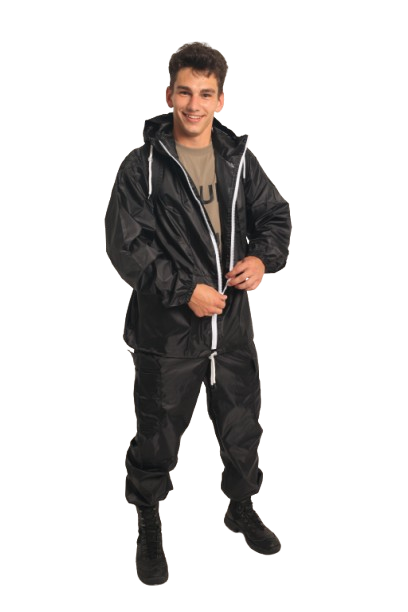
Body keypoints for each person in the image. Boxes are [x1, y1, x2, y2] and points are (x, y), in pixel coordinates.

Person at [105, 41, 291, 586]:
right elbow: (125, 245)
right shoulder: (142, 166)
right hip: (168, 332)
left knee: (242, 427)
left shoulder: (238, 159)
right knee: (157, 434)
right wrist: (185, 290)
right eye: (184, 92)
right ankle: (148, 520)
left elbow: (275, 215)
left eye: (205, 94)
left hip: (230, 327)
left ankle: (240, 508)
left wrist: (262, 258)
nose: (194, 104)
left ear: (221, 100)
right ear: (168, 95)